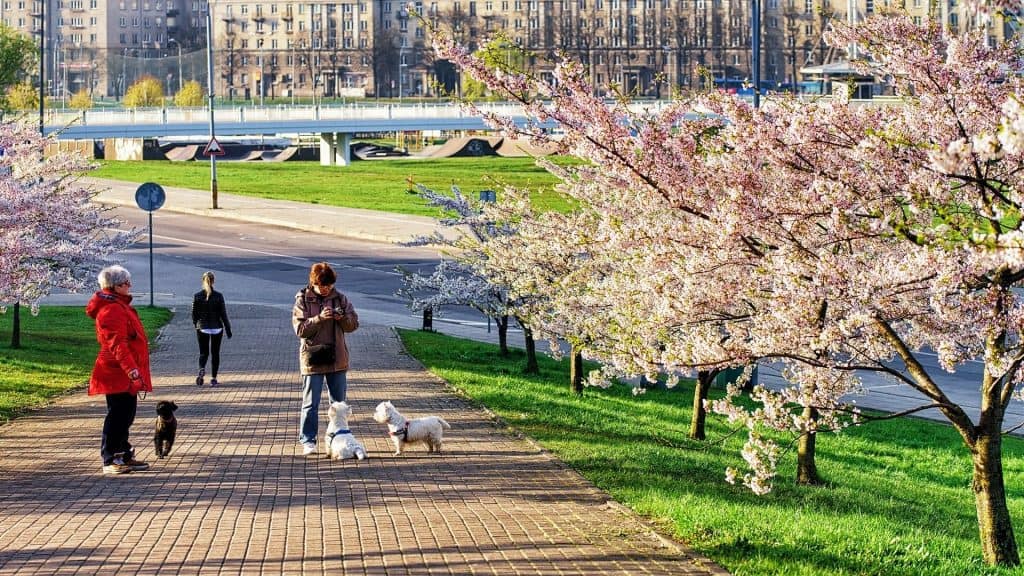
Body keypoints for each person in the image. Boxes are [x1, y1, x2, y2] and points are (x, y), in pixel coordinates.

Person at [86, 265, 153, 475]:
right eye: (126, 283)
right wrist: (132, 370)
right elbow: (117, 344)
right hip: (116, 371)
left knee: (126, 414)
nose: (130, 286)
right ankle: (110, 458)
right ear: (115, 286)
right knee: (118, 415)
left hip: (123, 370)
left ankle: (123, 453)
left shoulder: (118, 305)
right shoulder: (111, 309)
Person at [292, 262, 359, 456]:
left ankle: (340, 437)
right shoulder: (303, 299)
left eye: (329, 285)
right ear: (314, 283)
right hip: (312, 358)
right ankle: (308, 441)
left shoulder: (340, 299)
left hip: (337, 357)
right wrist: (319, 318)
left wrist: (342, 318)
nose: (326, 289)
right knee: (310, 404)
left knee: (339, 404)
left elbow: (353, 324)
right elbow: (300, 329)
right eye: (323, 286)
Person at [191, 271, 232, 387]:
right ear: (213, 281)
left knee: (203, 353)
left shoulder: (197, 296)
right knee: (215, 353)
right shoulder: (219, 296)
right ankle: (213, 378)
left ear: (202, 281)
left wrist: (196, 325)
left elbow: (194, 314)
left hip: (202, 328)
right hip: (217, 328)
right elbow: (223, 314)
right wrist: (228, 328)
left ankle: (202, 369)